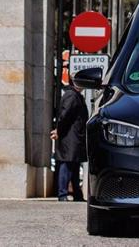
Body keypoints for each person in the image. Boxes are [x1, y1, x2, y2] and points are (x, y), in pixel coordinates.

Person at [50, 73, 90, 202]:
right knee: (67, 164)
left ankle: (77, 194)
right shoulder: (71, 95)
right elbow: (64, 115)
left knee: (74, 164)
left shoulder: (76, 95)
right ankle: (62, 194)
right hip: (69, 137)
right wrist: (58, 130)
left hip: (74, 136)